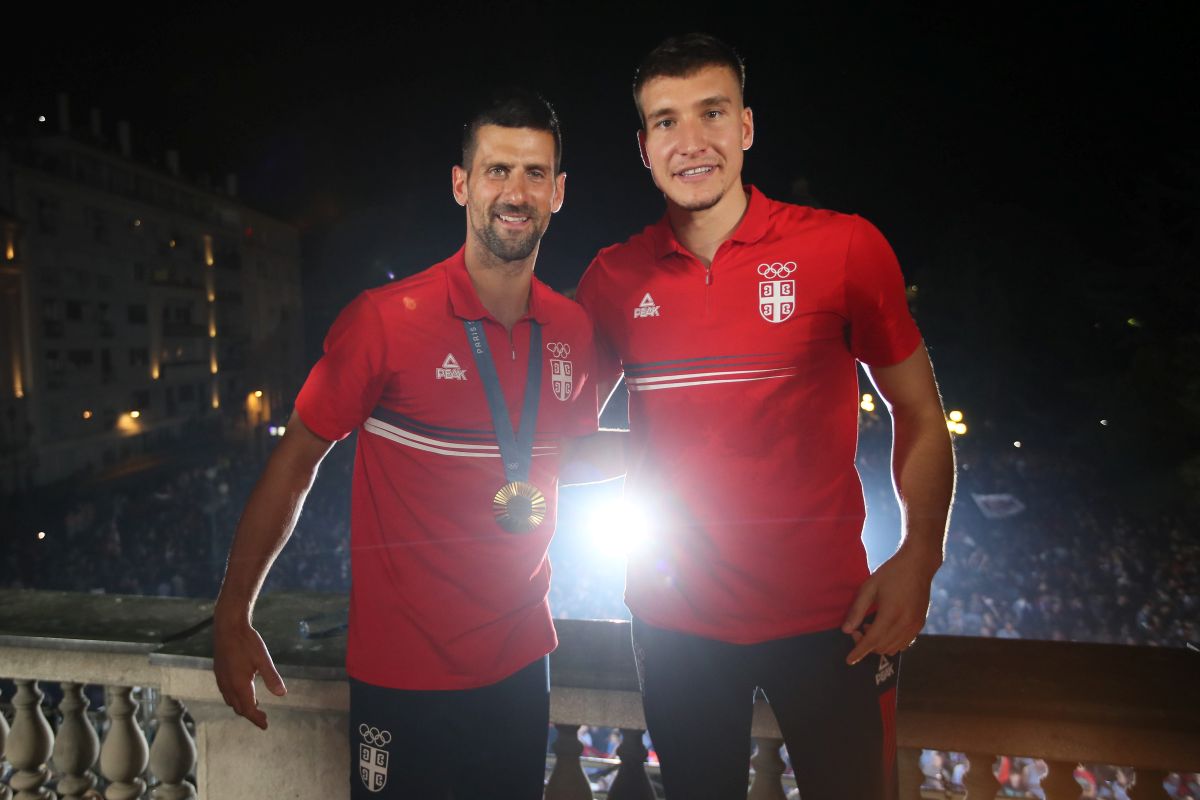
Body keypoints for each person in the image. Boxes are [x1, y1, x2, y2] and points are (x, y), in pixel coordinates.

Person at [575, 34, 956, 799]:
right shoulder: (613, 278)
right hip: (674, 621)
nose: (692, 143)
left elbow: (918, 409)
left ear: (745, 126)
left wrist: (920, 557)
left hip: (831, 621)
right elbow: (560, 437)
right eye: (666, 122)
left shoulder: (843, 247)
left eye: (711, 113)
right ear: (643, 146)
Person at [212, 87, 598, 799]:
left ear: (559, 192)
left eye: (535, 173)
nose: (516, 191)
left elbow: (571, 455)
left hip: (521, 666)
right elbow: (295, 460)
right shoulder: (385, 321)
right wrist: (233, 613)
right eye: (497, 170)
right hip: (404, 676)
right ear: (462, 184)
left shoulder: (572, 328)